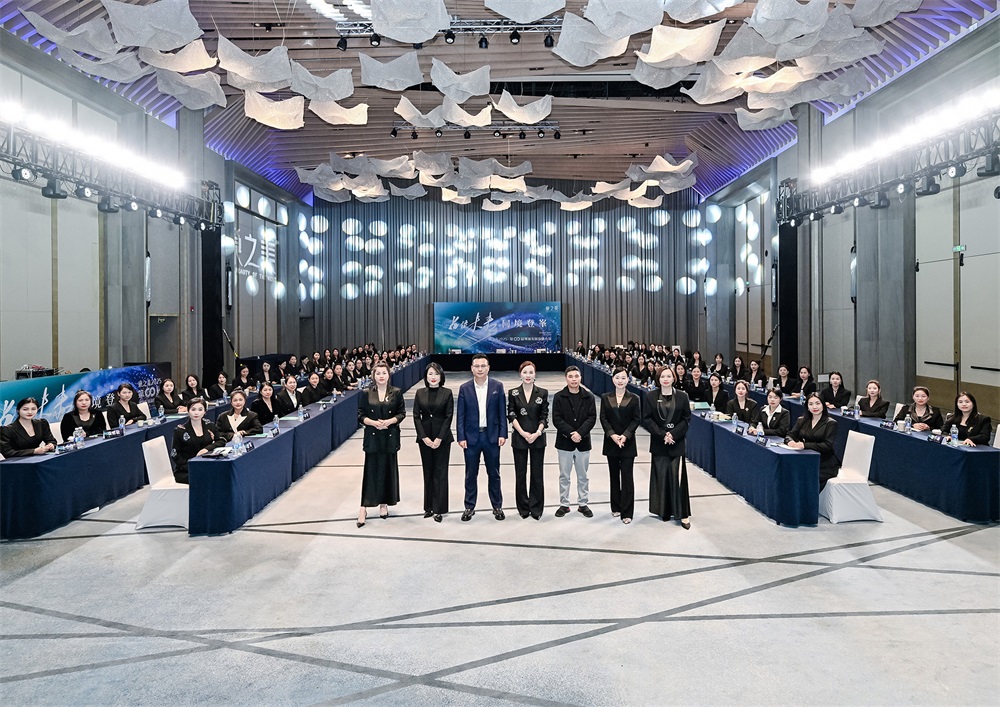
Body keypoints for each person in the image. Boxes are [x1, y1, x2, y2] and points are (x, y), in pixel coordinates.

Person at [456, 354, 508, 521]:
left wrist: (503, 433)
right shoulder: (464, 388)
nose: (480, 369)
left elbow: (502, 412)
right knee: (471, 474)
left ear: (488, 368)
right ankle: (469, 507)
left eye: (483, 366)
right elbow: (460, 415)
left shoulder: (497, 386)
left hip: (491, 437)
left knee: (494, 473)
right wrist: (461, 436)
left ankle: (497, 506)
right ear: (472, 368)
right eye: (477, 366)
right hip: (471, 438)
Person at [642, 366, 692, 528]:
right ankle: (664, 510)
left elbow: (686, 419)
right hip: (659, 442)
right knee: (661, 477)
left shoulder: (683, 396)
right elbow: (647, 419)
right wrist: (663, 434)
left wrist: (673, 435)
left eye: (669, 376)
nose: (665, 379)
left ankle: (682, 514)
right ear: (658, 378)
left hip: (676, 442)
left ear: (673, 378)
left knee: (677, 478)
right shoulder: (650, 396)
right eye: (662, 376)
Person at [357, 362, 405, 527]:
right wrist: (372, 422)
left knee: (387, 469)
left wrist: (390, 421)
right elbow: (360, 415)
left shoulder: (396, 392)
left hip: (390, 436)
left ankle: (384, 503)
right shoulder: (366, 393)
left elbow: (401, 413)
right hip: (373, 436)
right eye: (378, 373)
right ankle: (363, 507)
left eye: (384, 373)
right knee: (370, 472)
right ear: (373, 376)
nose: (381, 376)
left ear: (389, 375)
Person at [552, 366, 597, 518]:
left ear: (580, 378)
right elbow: (557, 419)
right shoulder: (559, 397)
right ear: (566, 378)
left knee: (583, 476)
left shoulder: (589, 397)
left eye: (576, 376)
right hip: (565, 443)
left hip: (583, 442)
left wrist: (580, 433)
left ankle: (583, 503)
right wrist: (571, 433)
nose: (574, 379)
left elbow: (592, 417)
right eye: (570, 376)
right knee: (564, 476)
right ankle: (564, 504)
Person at [507, 361, 549, 520]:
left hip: (538, 438)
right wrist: (523, 433)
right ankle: (523, 508)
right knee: (520, 474)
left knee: (537, 474)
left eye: (531, 372)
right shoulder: (513, 393)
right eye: (525, 372)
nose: (528, 375)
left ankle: (536, 508)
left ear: (535, 374)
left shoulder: (542, 393)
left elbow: (544, 416)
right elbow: (511, 414)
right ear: (520, 374)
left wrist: (537, 433)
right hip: (520, 438)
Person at [413, 362, 454, 523]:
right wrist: (423, 437)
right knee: (428, 471)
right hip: (425, 438)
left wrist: (439, 438)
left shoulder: (447, 393)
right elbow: (416, 416)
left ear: (441, 376)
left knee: (440, 473)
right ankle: (428, 507)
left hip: (442, 438)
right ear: (426, 376)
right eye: (430, 374)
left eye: (436, 374)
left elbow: (448, 417)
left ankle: (439, 509)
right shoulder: (420, 393)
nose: (433, 377)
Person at [600, 368, 641, 524]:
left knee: (627, 478)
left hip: (627, 443)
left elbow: (636, 419)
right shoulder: (605, 397)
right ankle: (616, 507)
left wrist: (625, 435)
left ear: (628, 380)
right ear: (613, 379)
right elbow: (603, 418)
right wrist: (612, 434)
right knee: (614, 476)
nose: (620, 381)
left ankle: (627, 512)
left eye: (623, 378)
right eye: (617, 378)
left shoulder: (634, 398)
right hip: (611, 442)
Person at [786, 393, 840, 490]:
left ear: (823, 405)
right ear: (807, 407)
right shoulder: (801, 420)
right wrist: (790, 442)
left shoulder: (831, 423)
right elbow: (790, 435)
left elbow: (827, 445)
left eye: (817, 403)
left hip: (824, 464)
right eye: (810, 404)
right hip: (806, 460)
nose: (814, 407)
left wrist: (804, 445)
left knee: (807, 480)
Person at [170, 398, 224, 484]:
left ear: (205, 411)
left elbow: (221, 441)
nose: (196, 413)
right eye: (193, 409)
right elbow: (175, 455)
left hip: (207, 465)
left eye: (200, 410)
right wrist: (193, 466)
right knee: (206, 478)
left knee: (221, 474)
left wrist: (206, 449)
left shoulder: (210, 425)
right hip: (186, 470)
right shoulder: (180, 430)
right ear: (188, 411)